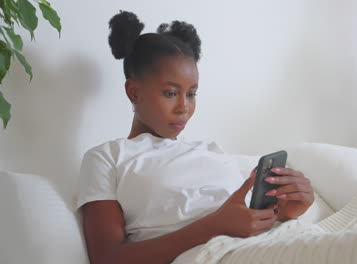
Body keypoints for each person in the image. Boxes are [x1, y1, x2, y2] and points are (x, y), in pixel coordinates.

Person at [76, 11, 314, 264]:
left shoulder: (211, 150)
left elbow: (244, 221)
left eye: (191, 94)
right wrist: (213, 226)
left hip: (272, 243)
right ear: (134, 92)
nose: (184, 107)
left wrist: (285, 214)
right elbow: (107, 258)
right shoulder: (107, 158)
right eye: (170, 93)